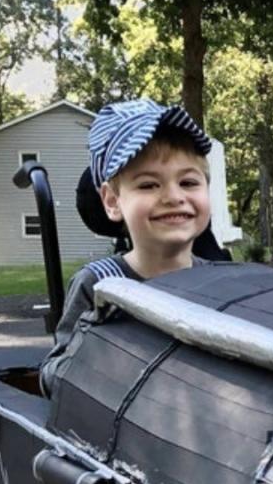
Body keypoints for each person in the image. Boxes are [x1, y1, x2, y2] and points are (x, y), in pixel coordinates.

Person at [40, 99, 215, 395]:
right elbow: (52, 377)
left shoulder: (221, 281)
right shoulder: (100, 284)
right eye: (149, 185)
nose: (174, 196)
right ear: (112, 201)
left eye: (188, 182)